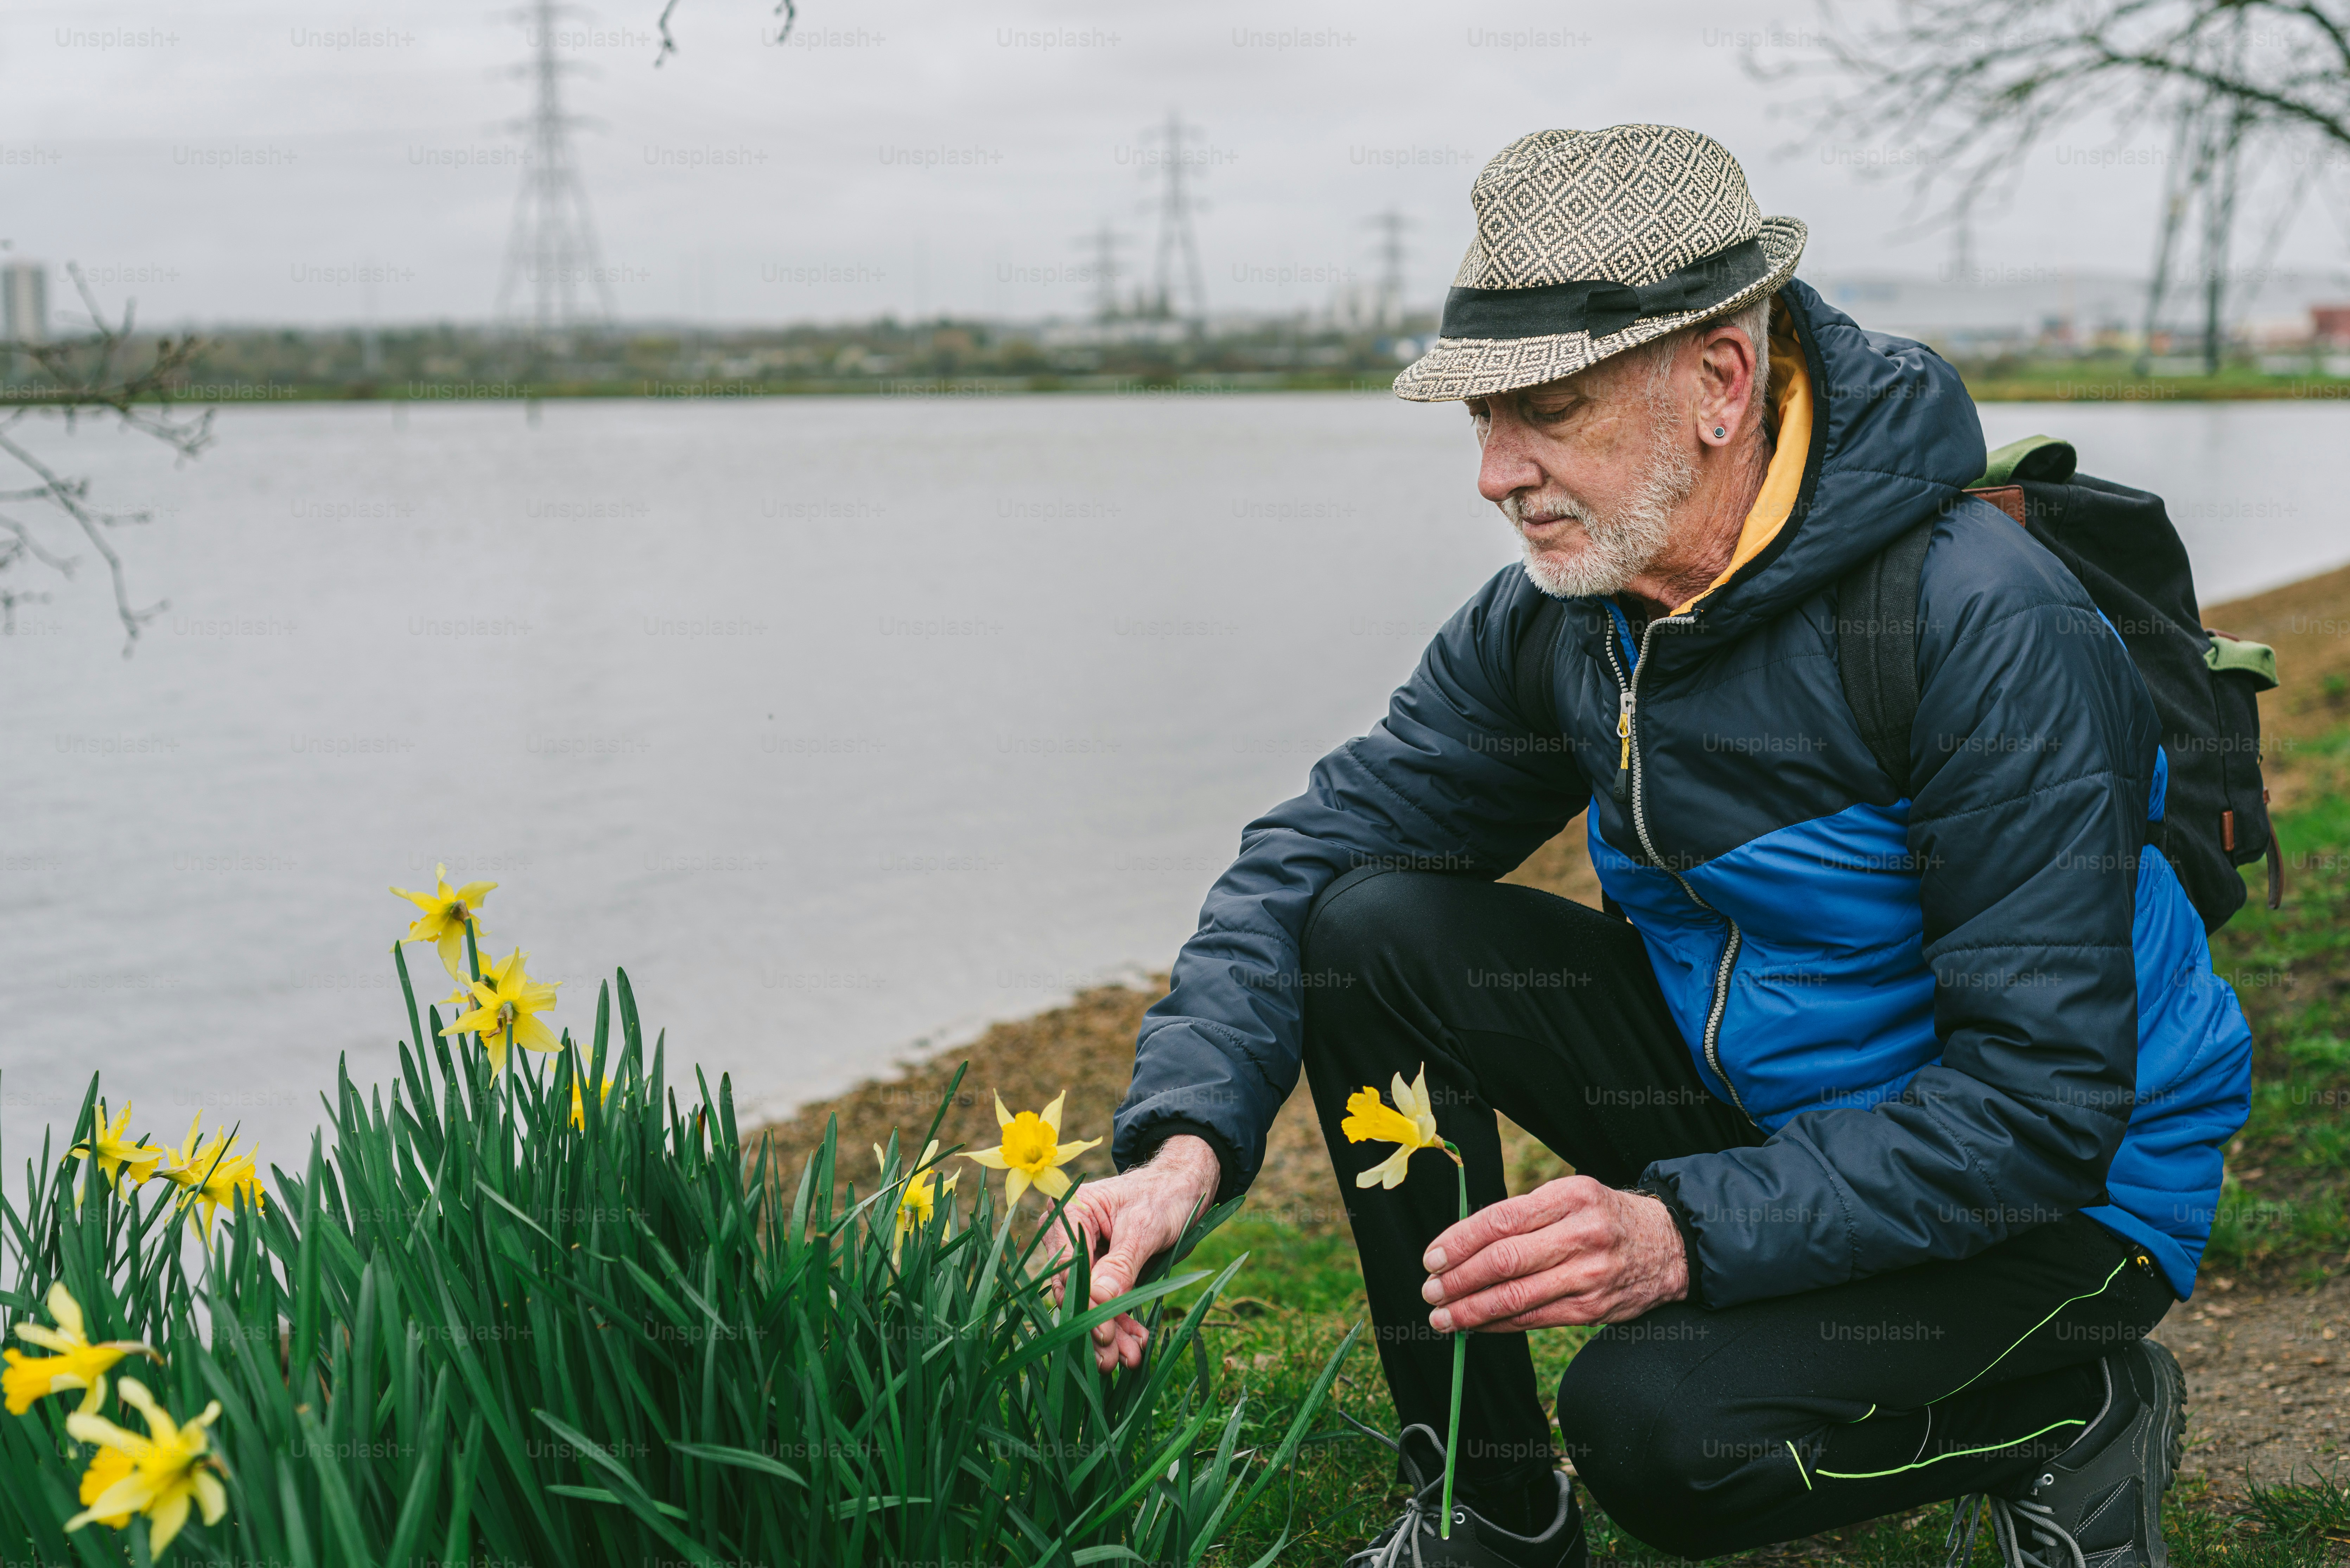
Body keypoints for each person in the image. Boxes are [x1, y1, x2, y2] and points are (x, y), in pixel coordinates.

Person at [1050, 125, 2249, 1568]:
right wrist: (1183, 1140)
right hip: (1774, 1107)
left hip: (2061, 1188)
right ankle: (1486, 1504)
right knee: (1364, 929)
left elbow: (2040, 1102)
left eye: (1545, 408)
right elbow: (1313, 850)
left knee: (1662, 1432)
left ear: (1717, 384)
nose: (1495, 474)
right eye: (1482, 418)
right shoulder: (1566, 610)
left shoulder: (1981, 620)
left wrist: (1679, 1228)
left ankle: (2076, 1402)